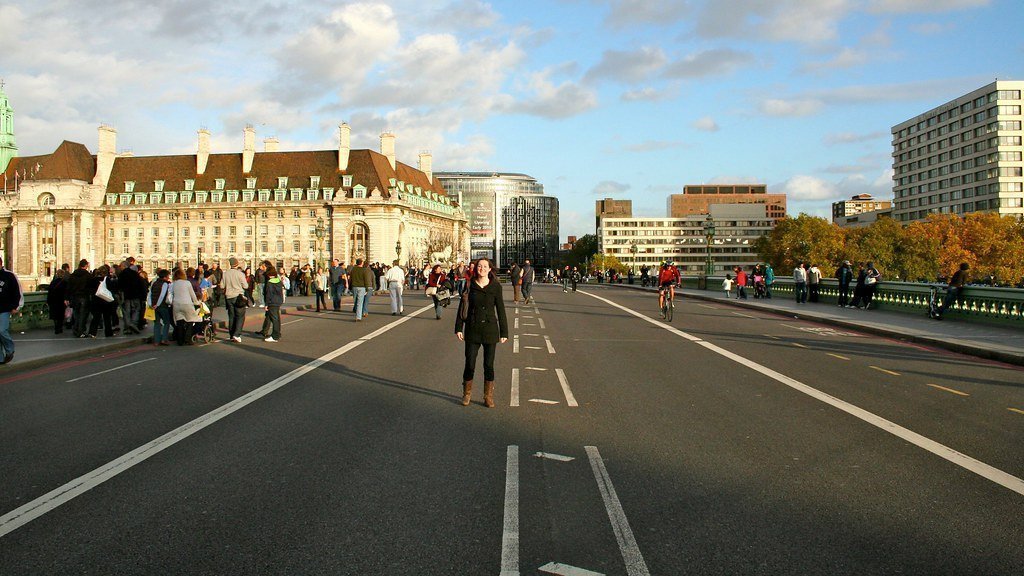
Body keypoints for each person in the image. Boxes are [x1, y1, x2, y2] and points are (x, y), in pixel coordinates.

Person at [455, 258, 508, 408]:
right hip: (473, 328)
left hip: (490, 330)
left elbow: (500, 309)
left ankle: (488, 396)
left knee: (488, 365)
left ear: (490, 269)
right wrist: (459, 328)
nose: (482, 269)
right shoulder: (470, 284)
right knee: (470, 363)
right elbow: (463, 306)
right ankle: (467, 393)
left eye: (485, 266)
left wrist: (504, 332)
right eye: (479, 266)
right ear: (475, 268)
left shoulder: (496, 286)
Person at [0, 257, 24, 364]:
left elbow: (17, 291)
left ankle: (10, 349)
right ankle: (0, 358)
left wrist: (16, 306)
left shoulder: (9, 275)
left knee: (1, 330)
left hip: (5, 309)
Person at [171, 268, 201, 345]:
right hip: (187, 304)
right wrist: (196, 302)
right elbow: (192, 294)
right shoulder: (187, 283)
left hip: (176, 304)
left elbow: (170, 294)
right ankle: (187, 339)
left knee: (179, 322)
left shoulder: (173, 284)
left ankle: (180, 340)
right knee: (190, 321)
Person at [87, 265, 118, 338]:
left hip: (96, 300)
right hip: (105, 300)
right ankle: (108, 332)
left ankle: (92, 332)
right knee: (107, 318)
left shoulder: (93, 280)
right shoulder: (107, 279)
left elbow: (89, 289)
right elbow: (111, 288)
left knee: (96, 317)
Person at [223, 257, 249, 342]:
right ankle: (237, 334)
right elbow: (246, 286)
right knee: (240, 316)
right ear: (237, 264)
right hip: (238, 296)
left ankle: (231, 335)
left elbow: (222, 286)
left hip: (228, 296)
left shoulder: (225, 274)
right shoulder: (240, 274)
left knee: (231, 316)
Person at [66, 259, 93, 338]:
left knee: (76, 315)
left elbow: (68, 288)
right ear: (86, 266)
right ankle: (81, 331)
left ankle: (76, 329)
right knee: (83, 315)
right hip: (84, 297)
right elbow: (91, 287)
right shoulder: (88, 275)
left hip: (74, 297)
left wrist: (66, 298)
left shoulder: (73, 275)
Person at [147, 269, 173, 346]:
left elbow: (150, 294)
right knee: (166, 322)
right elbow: (162, 295)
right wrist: (157, 304)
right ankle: (164, 339)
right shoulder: (165, 284)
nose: (168, 277)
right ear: (165, 276)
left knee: (157, 323)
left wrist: (151, 304)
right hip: (162, 306)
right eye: (168, 276)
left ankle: (156, 340)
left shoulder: (154, 283)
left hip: (153, 306)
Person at [260, 261, 284, 341]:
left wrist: (266, 304)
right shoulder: (278, 281)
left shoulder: (270, 283)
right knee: (277, 319)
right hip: (278, 301)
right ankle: (277, 334)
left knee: (274, 319)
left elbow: (268, 294)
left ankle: (275, 336)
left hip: (272, 302)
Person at [46, 269, 68, 335]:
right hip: (61, 301)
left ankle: (56, 327)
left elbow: (49, 292)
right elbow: (66, 292)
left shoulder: (53, 282)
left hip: (53, 301)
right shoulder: (65, 282)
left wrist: (48, 301)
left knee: (54, 315)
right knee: (61, 315)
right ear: (63, 275)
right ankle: (59, 327)